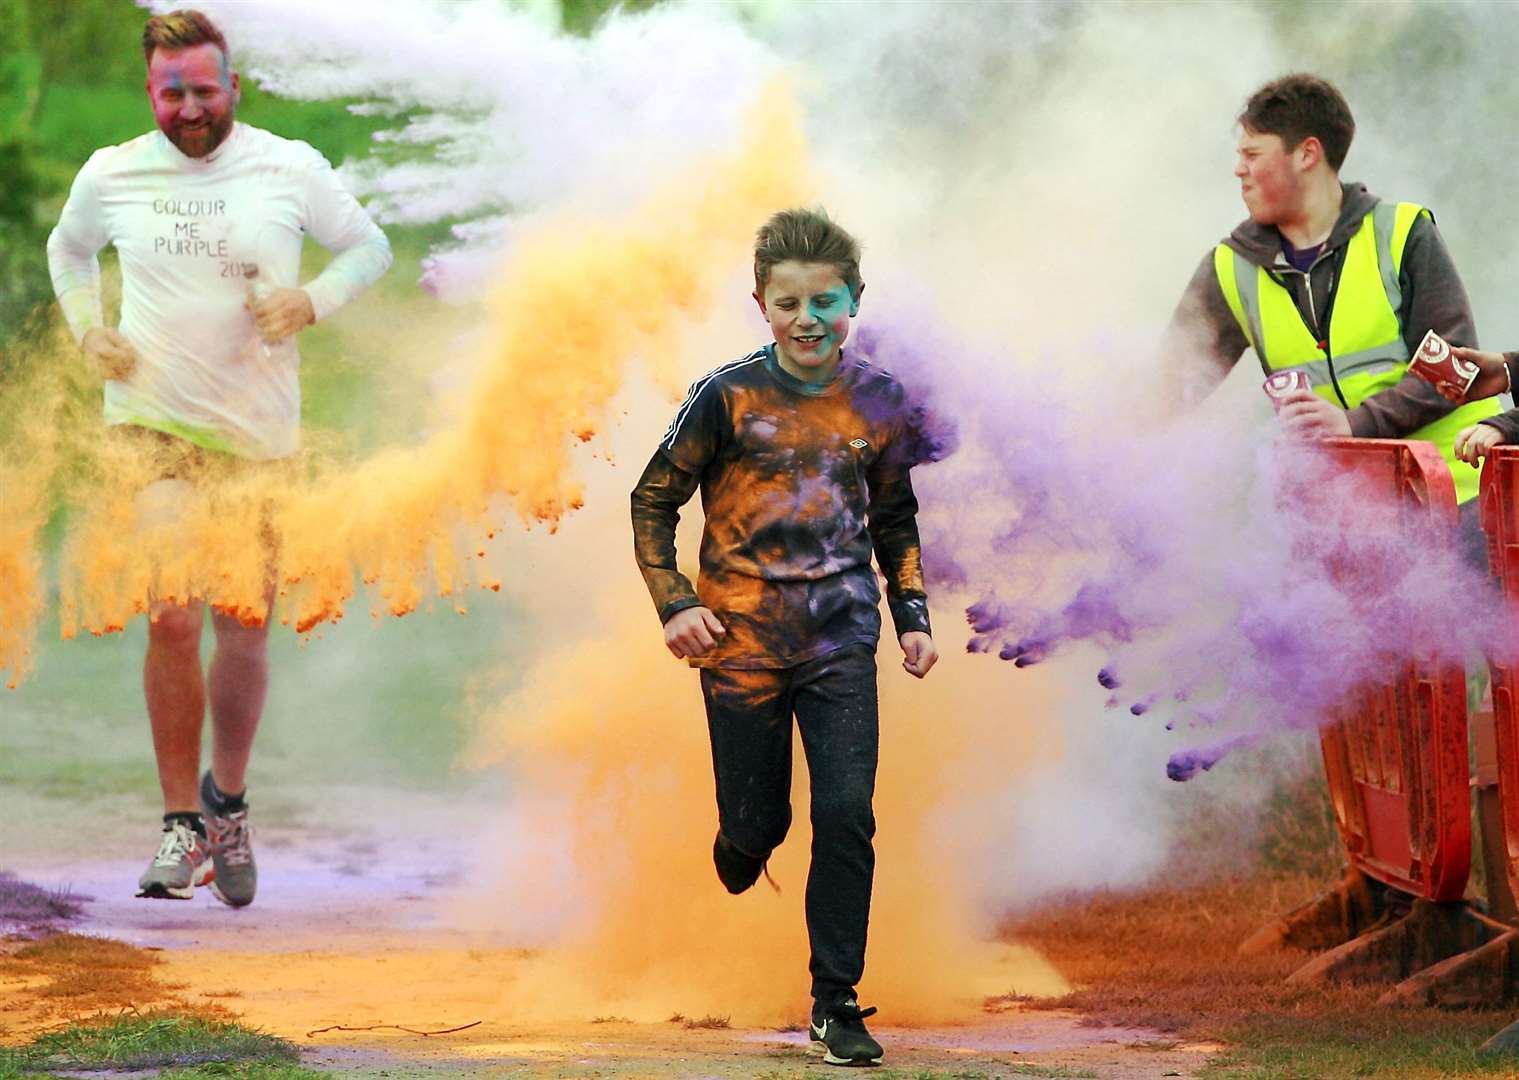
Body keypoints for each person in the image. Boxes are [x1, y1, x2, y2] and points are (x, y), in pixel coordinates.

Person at [46, 9, 392, 905]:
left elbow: (369, 247)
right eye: (173, 93)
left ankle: (225, 801)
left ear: (234, 85)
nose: (191, 109)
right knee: (170, 613)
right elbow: (69, 249)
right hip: (151, 427)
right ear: (150, 92)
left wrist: (310, 303)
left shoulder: (288, 167)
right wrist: (91, 332)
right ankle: (177, 825)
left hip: (259, 436)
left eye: (205, 90)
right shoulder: (113, 173)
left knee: (242, 624)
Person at [630, 208, 938, 1067]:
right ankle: (742, 838)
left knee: (846, 813)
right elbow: (651, 498)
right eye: (789, 302)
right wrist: (674, 604)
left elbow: (896, 516)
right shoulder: (724, 396)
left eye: (825, 300)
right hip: (738, 647)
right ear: (762, 305)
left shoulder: (879, 399)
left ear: (854, 301)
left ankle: (835, 1002)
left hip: (842, 638)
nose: (808, 318)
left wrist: (911, 617)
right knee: (759, 824)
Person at [1165, 73, 1500, 510]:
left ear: (1307, 154)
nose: (1238, 169)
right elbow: (1166, 392)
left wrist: (1354, 422)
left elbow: (1456, 370)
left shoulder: (1401, 233)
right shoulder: (1230, 268)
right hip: (1349, 520)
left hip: (1464, 496)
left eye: (1252, 153)